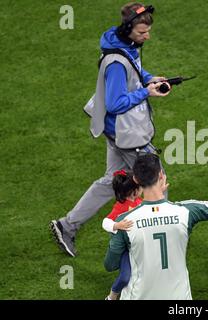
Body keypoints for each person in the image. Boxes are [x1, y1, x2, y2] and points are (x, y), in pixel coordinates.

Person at [50, 2, 170, 257]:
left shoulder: (125, 45)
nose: (146, 36)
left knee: (110, 181)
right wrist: (145, 92)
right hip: (127, 133)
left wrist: (149, 78)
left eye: (147, 31)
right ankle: (167, 236)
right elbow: (115, 103)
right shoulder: (115, 62)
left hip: (116, 131)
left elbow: (135, 70)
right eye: (141, 32)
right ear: (128, 29)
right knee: (156, 179)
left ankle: (66, 225)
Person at [104, 137, 208, 300]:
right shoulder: (186, 211)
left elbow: (110, 265)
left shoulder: (124, 221)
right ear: (161, 175)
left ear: (136, 180)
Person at [102, 170, 143, 300]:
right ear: (134, 191)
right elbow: (105, 222)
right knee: (125, 276)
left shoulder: (140, 202)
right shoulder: (120, 207)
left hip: (138, 246)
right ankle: (111, 297)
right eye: (140, 186)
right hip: (126, 249)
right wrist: (117, 226)